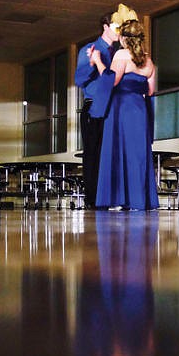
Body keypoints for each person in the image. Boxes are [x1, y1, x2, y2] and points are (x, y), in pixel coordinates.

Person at [89, 19, 159, 211]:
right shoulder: (149, 61)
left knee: (118, 150)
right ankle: (138, 201)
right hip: (139, 110)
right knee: (137, 153)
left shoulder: (121, 54)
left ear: (123, 38)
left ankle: (119, 199)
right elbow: (150, 91)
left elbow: (111, 81)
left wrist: (98, 61)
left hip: (121, 109)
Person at [74, 10, 120, 209]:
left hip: (113, 107)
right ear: (106, 27)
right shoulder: (89, 49)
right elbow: (79, 80)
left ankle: (111, 196)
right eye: (117, 27)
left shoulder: (119, 53)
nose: (119, 32)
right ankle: (92, 199)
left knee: (111, 153)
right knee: (93, 154)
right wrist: (93, 63)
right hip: (93, 106)